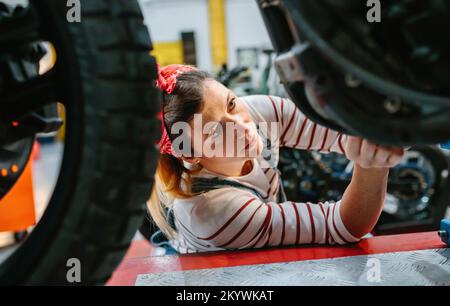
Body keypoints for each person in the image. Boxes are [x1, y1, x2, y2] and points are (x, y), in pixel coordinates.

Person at [147, 64, 405, 254]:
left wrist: (376, 127)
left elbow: (340, 135)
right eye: (215, 131)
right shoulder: (211, 210)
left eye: (231, 103)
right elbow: (342, 226)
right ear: (190, 153)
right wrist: (373, 166)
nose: (242, 127)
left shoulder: (258, 113)